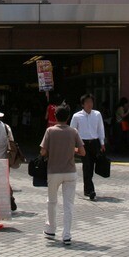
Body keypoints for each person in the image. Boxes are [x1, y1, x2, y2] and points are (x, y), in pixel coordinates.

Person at [40, 104, 85, 246]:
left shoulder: (50, 131)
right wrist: (73, 149)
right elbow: (82, 152)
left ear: (55, 116)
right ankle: (66, 235)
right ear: (68, 117)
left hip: (53, 171)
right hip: (70, 172)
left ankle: (50, 229)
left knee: (52, 202)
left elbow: (42, 152)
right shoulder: (74, 132)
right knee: (68, 205)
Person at [69, 93, 105, 200]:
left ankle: (87, 188)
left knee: (92, 166)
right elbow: (72, 131)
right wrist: (73, 145)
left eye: (91, 102)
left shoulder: (97, 114)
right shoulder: (77, 116)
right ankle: (90, 190)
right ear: (83, 104)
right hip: (82, 143)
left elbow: (100, 129)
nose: (90, 104)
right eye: (87, 102)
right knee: (87, 165)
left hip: (94, 142)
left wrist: (102, 142)